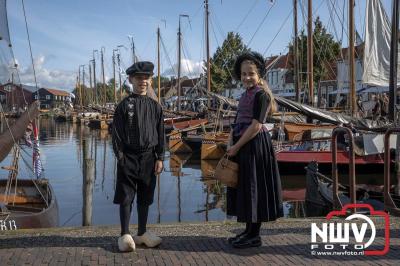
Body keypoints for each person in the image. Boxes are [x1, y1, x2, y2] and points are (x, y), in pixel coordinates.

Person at [226, 51, 283, 249]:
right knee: (246, 187)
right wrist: (230, 140)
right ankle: (248, 230)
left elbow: (257, 125)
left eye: (251, 73)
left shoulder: (262, 95)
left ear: (259, 75)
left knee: (254, 187)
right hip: (244, 144)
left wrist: (237, 145)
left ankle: (254, 235)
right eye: (243, 74)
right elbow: (239, 120)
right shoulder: (245, 95)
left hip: (255, 145)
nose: (247, 77)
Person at [112, 61, 165, 252]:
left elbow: (161, 134)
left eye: (146, 78)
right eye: (139, 78)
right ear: (131, 79)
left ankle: (142, 232)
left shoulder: (156, 107)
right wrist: (121, 158)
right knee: (126, 196)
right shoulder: (123, 106)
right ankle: (125, 234)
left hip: (149, 158)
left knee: (145, 195)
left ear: (150, 80)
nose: (143, 81)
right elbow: (116, 135)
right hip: (128, 157)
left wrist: (160, 157)